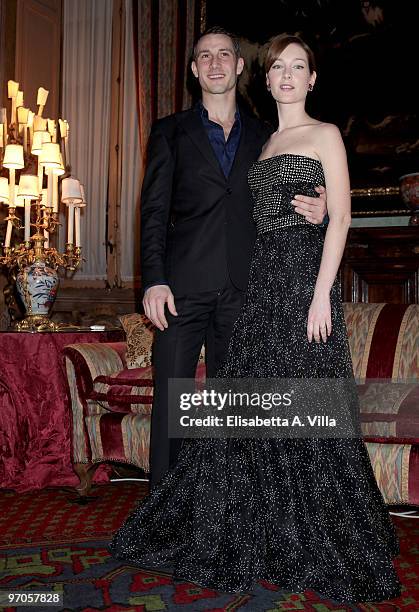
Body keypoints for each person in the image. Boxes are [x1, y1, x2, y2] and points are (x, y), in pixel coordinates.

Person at [110, 32, 402, 603]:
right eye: (281, 68)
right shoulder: (222, 136)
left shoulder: (295, 135)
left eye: (300, 67)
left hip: (280, 290)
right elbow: (163, 211)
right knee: (217, 411)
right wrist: (154, 278)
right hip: (224, 290)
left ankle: (299, 532)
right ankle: (206, 517)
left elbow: (331, 213)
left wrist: (323, 259)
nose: (288, 76)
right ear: (260, 78)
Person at [141, 26, 327, 487]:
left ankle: (224, 516)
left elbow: (286, 205)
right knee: (175, 406)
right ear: (194, 70)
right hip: (180, 290)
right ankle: (165, 520)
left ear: (240, 67)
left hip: (246, 292)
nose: (217, 63)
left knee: (234, 414)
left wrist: (319, 211)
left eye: (226, 54)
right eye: (206, 56)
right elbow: (153, 214)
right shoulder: (170, 132)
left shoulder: (266, 136)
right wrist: (153, 280)